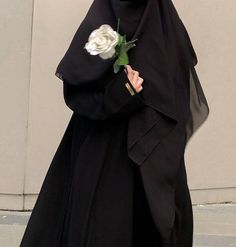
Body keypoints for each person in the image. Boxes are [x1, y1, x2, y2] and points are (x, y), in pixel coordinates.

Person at [20, 0, 210, 246]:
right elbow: (77, 89)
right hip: (103, 152)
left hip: (155, 154)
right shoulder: (102, 24)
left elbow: (177, 97)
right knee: (104, 225)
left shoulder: (166, 28)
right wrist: (121, 92)